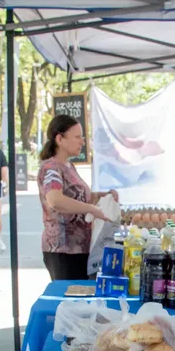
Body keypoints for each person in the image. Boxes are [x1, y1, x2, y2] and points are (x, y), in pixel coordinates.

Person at [38, 114, 117, 280]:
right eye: (77, 137)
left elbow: (79, 198)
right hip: (63, 250)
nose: (82, 142)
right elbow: (55, 200)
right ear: (60, 139)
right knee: (69, 299)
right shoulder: (52, 168)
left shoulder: (69, 166)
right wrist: (91, 209)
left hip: (80, 249)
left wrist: (104, 196)